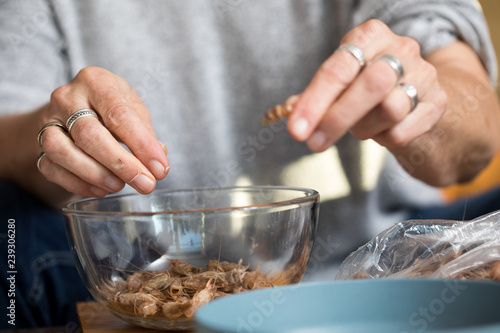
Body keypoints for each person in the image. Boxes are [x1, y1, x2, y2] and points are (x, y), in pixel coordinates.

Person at [1, 0, 499, 328]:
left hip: (391, 257)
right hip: (133, 255)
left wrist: (422, 103)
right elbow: (7, 135)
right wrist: (57, 133)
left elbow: (478, 141)